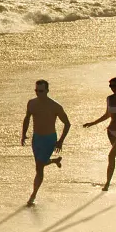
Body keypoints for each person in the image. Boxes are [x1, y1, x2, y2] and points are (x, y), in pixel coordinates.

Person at [19, 79, 72, 207]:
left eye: (41, 91)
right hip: (36, 138)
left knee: (39, 167)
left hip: (49, 139)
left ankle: (33, 195)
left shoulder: (55, 106)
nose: (38, 93)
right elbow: (27, 118)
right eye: (36, 91)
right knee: (39, 164)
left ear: (47, 91)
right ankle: (54, 161)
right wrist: (23, 134)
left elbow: (67, 124)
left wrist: (60, 141)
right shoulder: (31, 103)